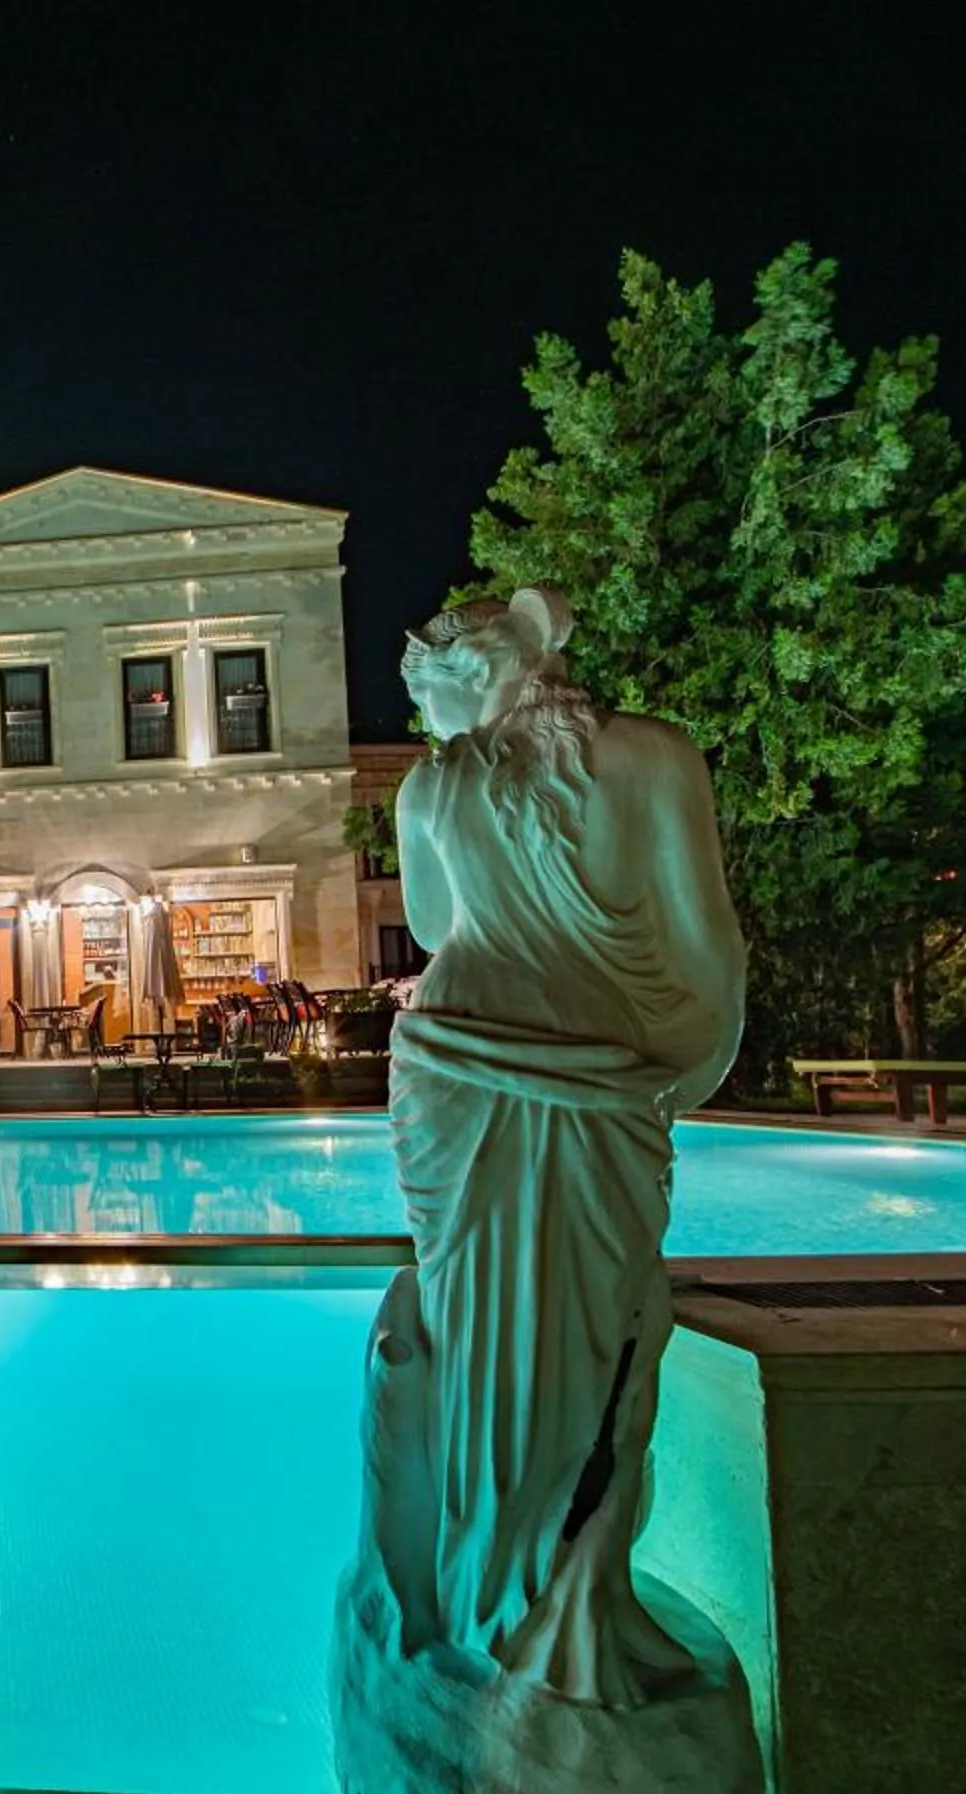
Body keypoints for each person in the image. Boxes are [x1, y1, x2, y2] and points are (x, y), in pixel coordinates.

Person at [377, 585, 744, 1704]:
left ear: (468, 678)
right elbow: (707, 945)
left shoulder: (434, 787)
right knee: (598, 1326)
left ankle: (484, 1581)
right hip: (598, 1073)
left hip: (458, 1061)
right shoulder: (654, 758)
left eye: (427, 699)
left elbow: (441, 930)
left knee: (479, 1321)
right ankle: (561, 1593)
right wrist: (671, 1071)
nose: (426, 726)